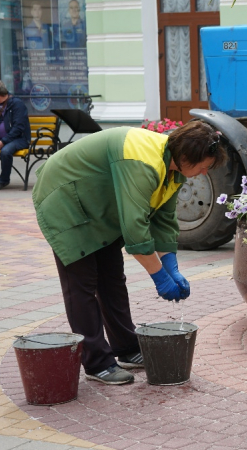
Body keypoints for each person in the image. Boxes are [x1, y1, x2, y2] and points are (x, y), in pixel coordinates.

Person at [32, 121, 228, 384]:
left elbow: (164, 220)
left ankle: (127, 348)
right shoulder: (143, 163)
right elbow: (135, 229)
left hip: (100, 206)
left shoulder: (174, 169)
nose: (204, 173)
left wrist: (171, 266)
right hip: (65, 199)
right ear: (184, 157)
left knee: (112, 279)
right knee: (82, 285)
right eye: (203, 166)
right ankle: (97, 363)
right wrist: (159, 277)